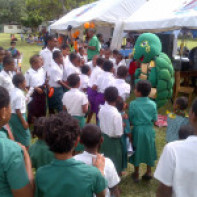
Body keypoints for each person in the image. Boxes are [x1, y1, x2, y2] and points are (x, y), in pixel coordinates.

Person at [35, 114, 107, 197]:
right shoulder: (93, 173)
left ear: (47, 142)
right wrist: (101, 171)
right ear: (76, 142)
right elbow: (102, 195)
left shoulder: (40, 174)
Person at [154, 99, 197, 197]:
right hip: (178, 138)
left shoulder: (170, 116)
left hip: (171, 139)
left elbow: (163, 191)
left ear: (193, 115)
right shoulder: (185, 119)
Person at [0, 86, 34, 197]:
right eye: (9, 105)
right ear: (3, 111)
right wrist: (26, 157)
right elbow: (25, 195)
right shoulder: (10, 150)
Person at [74, 124, 120, 197]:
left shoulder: (74, 161)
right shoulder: (107, 162)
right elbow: (114, 189)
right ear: (101, 140)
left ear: (81, 141)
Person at [129, 80, 157, 182]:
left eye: (135, 88)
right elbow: (155, 119)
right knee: (149, 149)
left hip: (137, 130)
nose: (134, 90)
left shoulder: (133, 104)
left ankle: (136, 173)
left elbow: (131, 119)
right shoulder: (153, 104)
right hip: (149, 130)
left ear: (139, 92)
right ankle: (149, 171)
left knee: (137, 149)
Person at [99, 87, 123, 174]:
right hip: (114, 141)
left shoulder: (101, 109)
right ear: (117, 98)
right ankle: (114, 179)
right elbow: (118, 133)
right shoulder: (116, 114)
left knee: (104, 158)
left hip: (103, 138)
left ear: (104, 98)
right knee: (115, 161)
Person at [9, 73, 31, 148]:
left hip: (12, 116)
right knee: (25, 135)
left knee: (17, 134)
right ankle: (26, 152)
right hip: (18, 116)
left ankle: (18, 148)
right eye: (25, 82)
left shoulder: (13, 91)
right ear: (20, 84)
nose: (26, 83)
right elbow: (18, 110)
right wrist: (24, 122)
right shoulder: (19, 94)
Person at [25, 55, 47, 124]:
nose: (41, 63)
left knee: (42, 107)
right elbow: (26, 86)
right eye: (39, 62)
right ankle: (32, 123)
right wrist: (35, 88)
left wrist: (45, 84)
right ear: (34, 63)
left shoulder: (42, 70)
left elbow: (43, 80)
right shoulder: (28, 73)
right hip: (33, 93)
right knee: (33, 109)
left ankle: (41, 122)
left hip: (42, 90)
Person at [116, 97, 132, 171]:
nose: (126, 103)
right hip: (122, 138)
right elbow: (127, 130)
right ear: (123, 106)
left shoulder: (115, 114)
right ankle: (121, 169)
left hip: (115, 138)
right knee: (122, 153)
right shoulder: (124, 116)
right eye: (124, 103)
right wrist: (131, 139)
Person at [87, 57, 104, 123]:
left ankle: (88, 122)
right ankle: (97, 124)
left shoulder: (95, 69)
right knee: (97, 109)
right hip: (93, 91)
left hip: (90, 90)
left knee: (91, 109)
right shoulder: (100, 71)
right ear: (103, 64)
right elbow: (97, 84)